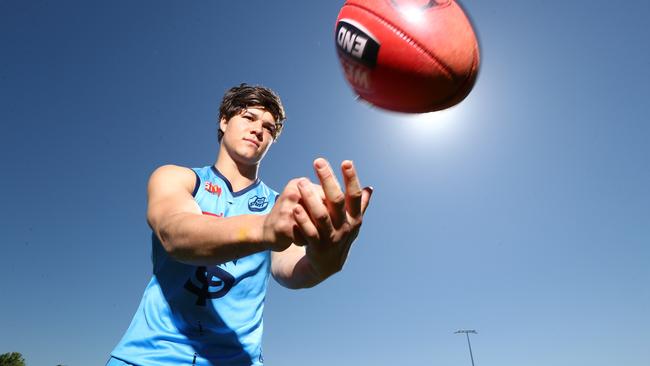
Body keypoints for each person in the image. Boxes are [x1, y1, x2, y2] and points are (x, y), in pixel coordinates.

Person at [107, 84, 373, 366]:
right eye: (249, 117)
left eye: (269, 128)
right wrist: (263, 230)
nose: (259, 129)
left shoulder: (280, 205)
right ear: (224, 121)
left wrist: (323, 261)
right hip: (147, 357)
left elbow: (291, 269)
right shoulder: (177, 177)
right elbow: (174, 232)